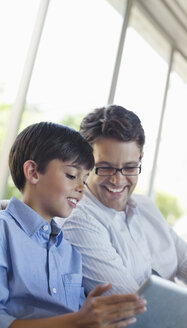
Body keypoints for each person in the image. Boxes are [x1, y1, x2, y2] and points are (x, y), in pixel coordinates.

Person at [60, 105, 187, 299]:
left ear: (140, 159)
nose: (118, 180)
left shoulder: (145, 206)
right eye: (105, 168)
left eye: (130, 167)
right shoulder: (78, 220)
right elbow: (134, 308)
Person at [0, 122, 146, 328]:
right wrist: (76, 321)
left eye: (85, 179)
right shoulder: (4, 232)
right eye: (71, 175)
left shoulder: (69, 252)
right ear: (33, 172)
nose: (81, 188)